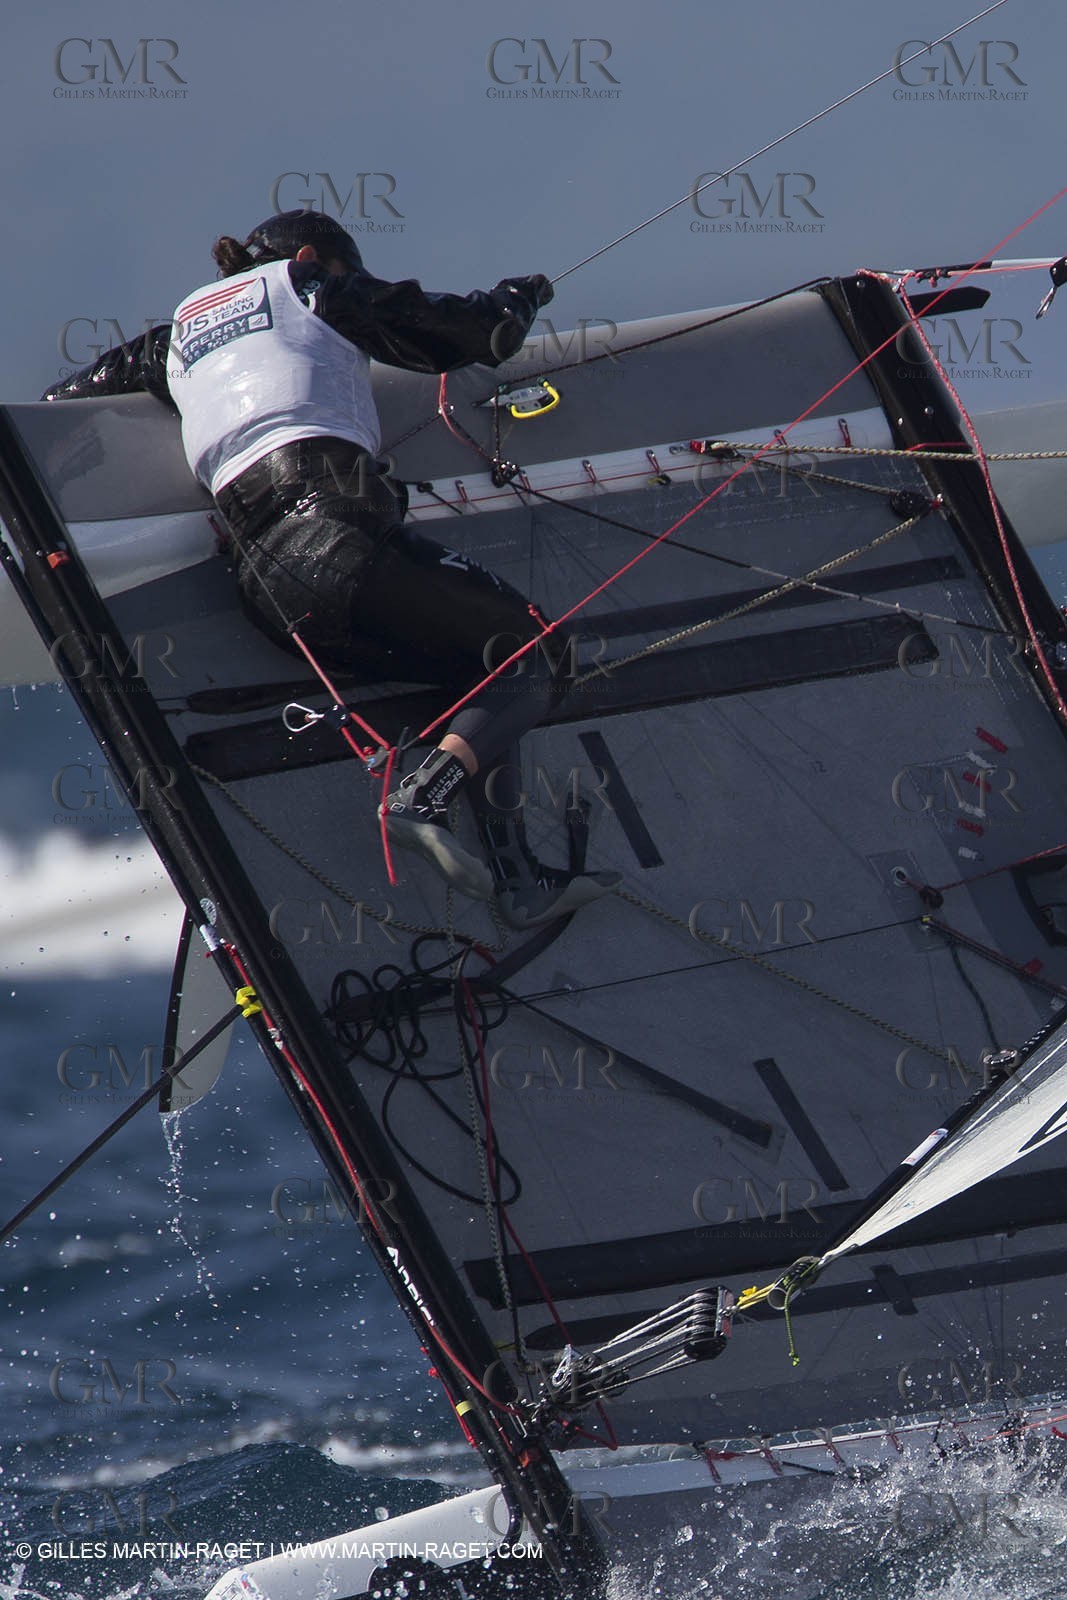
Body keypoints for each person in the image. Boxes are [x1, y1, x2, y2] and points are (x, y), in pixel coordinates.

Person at [42, 209, 619, 928]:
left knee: (481, 670)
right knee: (535, 652)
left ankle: (517, 880)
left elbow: (58, 407)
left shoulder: (177, 338)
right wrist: (517, 298)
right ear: (313, 256)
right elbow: (472, 338)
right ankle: (420, 798)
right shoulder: (309, 285)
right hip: (338, 541)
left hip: (264, 589)